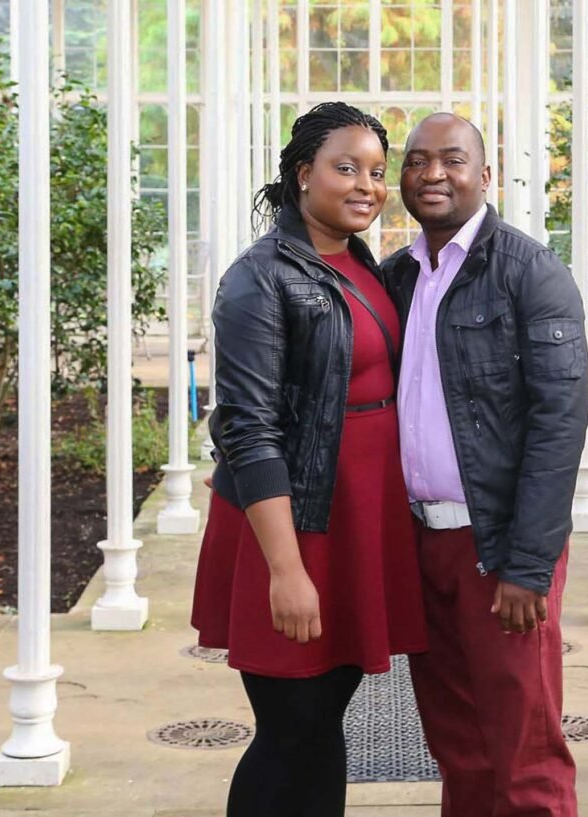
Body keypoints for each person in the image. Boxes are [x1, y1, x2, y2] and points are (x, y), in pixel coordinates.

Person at [191, 101, 427, 817]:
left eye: (378, 172)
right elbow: (248, 427)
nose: (366, 185)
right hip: (293, 524)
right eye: (345, 167)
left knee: (324, 719)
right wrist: (287, 571)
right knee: (290, 726)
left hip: (359, 517)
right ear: (302, 175)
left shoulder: (361, 263)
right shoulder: (257, 278)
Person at [381, 112, 588, 817]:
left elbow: (560, 425)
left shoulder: (531, 273)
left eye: (451, 160)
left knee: (524, 748)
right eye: (416, 161)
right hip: (420, 544)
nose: (432, 174)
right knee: (457, 742)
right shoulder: (396, 279)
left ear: (485, 175)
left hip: (496, 547)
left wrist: (529, 564)